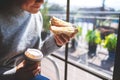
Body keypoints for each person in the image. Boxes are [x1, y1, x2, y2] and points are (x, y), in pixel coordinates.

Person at [0, 0, 75, 80]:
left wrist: (56, 42)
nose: (42, 1)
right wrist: (14, 74)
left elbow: (35, 53)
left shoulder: (36, 16)